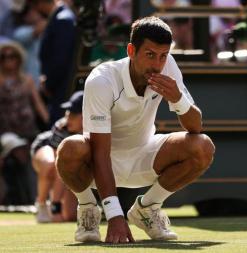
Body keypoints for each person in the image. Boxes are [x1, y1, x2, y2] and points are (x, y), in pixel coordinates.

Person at [56, 16, 215, 243]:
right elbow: (100, 153)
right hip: (100, 161)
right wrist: (114, 216)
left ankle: (147, 208)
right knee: (70, 148)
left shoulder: (168, 66)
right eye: (150, 55)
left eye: (163, 56)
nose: (157, 64)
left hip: (144, 156)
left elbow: (195, 126)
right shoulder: (101, 80)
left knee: (202, 146)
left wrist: (178, 99)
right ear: (131, 50)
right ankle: (88, 208)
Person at [31, 91, 82, 223]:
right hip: (44, 148)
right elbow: (58, 168)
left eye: (74, 113)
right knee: (50, 165)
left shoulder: (96, 130)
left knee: (69, 216)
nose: (68, 117)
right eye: (68, 111)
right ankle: (41, 205)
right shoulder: (62, 127)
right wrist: (56, 207)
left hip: (69, 171)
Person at [31, 0, 76, 125]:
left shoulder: (63, 20)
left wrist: (49, 83)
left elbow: (60, 60)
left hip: (61, 88)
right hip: (58, 87)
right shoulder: (60, 17)